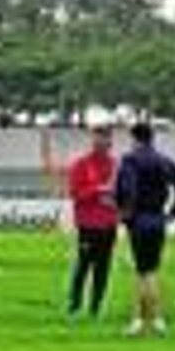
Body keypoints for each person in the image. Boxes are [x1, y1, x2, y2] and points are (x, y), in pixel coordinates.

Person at [115, 121, 175, 338]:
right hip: (158, 220)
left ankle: (144, 320)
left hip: (139, 220)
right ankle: (153, 319)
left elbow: (125, 189)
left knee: (142, 273)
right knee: (151, 271)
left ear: (135, 139)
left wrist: (126, 216)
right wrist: (173, 214)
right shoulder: (164, 161)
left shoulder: (129, 160)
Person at [66, 123, 119, 318]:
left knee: (103, 268)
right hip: (87, 225)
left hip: (109, 224)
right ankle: (75, 305)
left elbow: (123, 193)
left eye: (106, 138)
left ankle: (96, 307)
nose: (103, 141)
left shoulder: (116, 165)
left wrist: (116, 198)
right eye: (99, 137)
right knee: (83, 265)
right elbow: (75, 193)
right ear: (93, 140)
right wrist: (98, 190)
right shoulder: (81, 164)